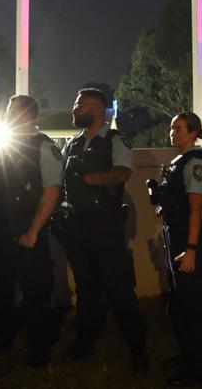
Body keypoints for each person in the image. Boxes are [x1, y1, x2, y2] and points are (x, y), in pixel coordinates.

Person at [58, 88, 148, 372]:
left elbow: (124, 172)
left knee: (119, 290)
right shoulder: (72, 144)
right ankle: (85, 343)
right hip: (77, 227)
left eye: (79, 104)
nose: (74, 109)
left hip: (104, 227)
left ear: (97, 107)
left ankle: (137, 349)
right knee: (86, 289)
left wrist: (93, 179)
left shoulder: (115, 139)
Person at [0, 94, 61, 370]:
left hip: (27, 230)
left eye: (10, 110)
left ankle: (40, 348)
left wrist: (34, 231)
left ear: (26, 114)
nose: (5, 115)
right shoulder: (2, 145)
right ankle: (3, 334)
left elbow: (51, 191)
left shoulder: (43, 147)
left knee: (35, 293)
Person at [147, 112, 202, 386]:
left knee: (192, 308)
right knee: (181, 305)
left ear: (194, 132)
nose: (173, 133)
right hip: (176, 235)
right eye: (172, 129)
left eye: (179, 129)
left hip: (188, 239)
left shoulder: (196, 161)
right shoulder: (179, 161)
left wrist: (191, 248)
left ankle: (198, 370)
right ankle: (188, 355)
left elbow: (195, 209)